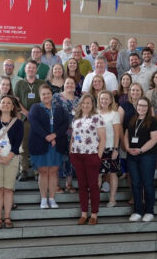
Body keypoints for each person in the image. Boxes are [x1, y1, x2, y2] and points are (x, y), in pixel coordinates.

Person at [0, 95, 24, 229]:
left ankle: (7, 217)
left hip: (12, 159)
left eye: (9, 103)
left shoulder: (18, 123)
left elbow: (18, 142)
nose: (6, 105)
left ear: (13, 107)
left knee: (8, 189)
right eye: (3, 103)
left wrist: (9, 157)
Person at [28, 85, 69, 209]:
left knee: (53, 172)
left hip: (56, 144)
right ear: (40, 96)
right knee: (43, 172)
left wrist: (55, 135)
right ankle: (43, 199)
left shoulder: (59, 109)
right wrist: (47, 136)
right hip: (41, 144)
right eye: (43, 94)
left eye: (48, 93)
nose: (46, 96)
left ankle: (52, 198)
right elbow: (34, 123)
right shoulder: (35, 108)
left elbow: (65, 124)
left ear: (52, 95)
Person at [70, 94, 106, 225]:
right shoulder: (76, 119)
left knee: (93, 185)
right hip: (77, 155)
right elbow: (73, 137)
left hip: (92, 155)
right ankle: (84, 213)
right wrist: (71, 154)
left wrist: (98, 156)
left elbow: (103, 138)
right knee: (82, 185)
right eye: (83, 103)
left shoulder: (97, 118)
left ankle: (94, 214)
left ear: (92, 104)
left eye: (88, 103)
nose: (85, 105)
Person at [124, 97, 157, 222]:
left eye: (144, 106)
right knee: (135, 183)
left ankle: (149, 211)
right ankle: (138, 211)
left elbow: (155, 139)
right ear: (136, 106)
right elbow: (127, 134)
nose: (142, 108)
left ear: (148, 108)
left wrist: (141, 150)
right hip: (132, 156)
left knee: (147, 183)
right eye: (140, 105)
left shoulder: (153, 121)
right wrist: (127, 147)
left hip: (147, 155)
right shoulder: (132, 118)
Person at [14, 60, 46, 181]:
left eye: (33, 68)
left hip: (38, 119)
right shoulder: (19, 84)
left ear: (36, 70)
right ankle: (24, 170)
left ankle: (37, 171)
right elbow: (16, 100)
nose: (31, 70)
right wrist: (26, 112)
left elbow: (45, 99)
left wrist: (33, 114)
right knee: (24, 146)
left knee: (37, 145)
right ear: (25, 69)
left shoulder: (41, 83)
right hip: (24, 119)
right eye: (29, 68)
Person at [52, 77, 80, 193]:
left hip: (75, 134)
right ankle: (57, 184)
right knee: (59, 158)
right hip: (60, 132)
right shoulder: (57, 97)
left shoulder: (79, 100)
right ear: (64, 84)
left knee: (71, 158)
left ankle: (69, 184)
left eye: (72, 83)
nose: (70, 85)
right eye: (67, 83)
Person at [97, 91, 121, 207]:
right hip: (97, 149)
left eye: (106, 99)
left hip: (111, 147)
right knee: (97, 174)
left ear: (111, 100)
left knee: (112, 174)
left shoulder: (114, 114)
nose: (104, 101)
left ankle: (112, 199)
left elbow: (117, 134)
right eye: (102, 99)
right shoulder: (95, 113)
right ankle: (95, 198)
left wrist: (116, 149)